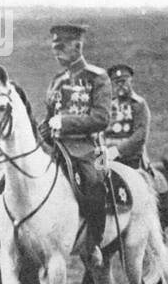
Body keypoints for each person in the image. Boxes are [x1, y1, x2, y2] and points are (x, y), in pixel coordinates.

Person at [38, 23, 112, 257]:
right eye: (54, 47)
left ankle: (94, 243)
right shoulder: (56, 80)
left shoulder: (97, 77)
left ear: (77, 46)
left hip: (90, 149)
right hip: (57, 147)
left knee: (94, 182)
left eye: (61, 47)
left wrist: (66, 122)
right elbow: (49, 118)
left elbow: (101, 118)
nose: (56, 52)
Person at [105, 63, 150, 170]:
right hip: (106, 155)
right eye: (116, 83)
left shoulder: (138, 104)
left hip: (130, 158)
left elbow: (140, 135)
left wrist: (117, 151)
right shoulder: (108, 105)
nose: (120, 85)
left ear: (130, 81)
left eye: (123, 82)